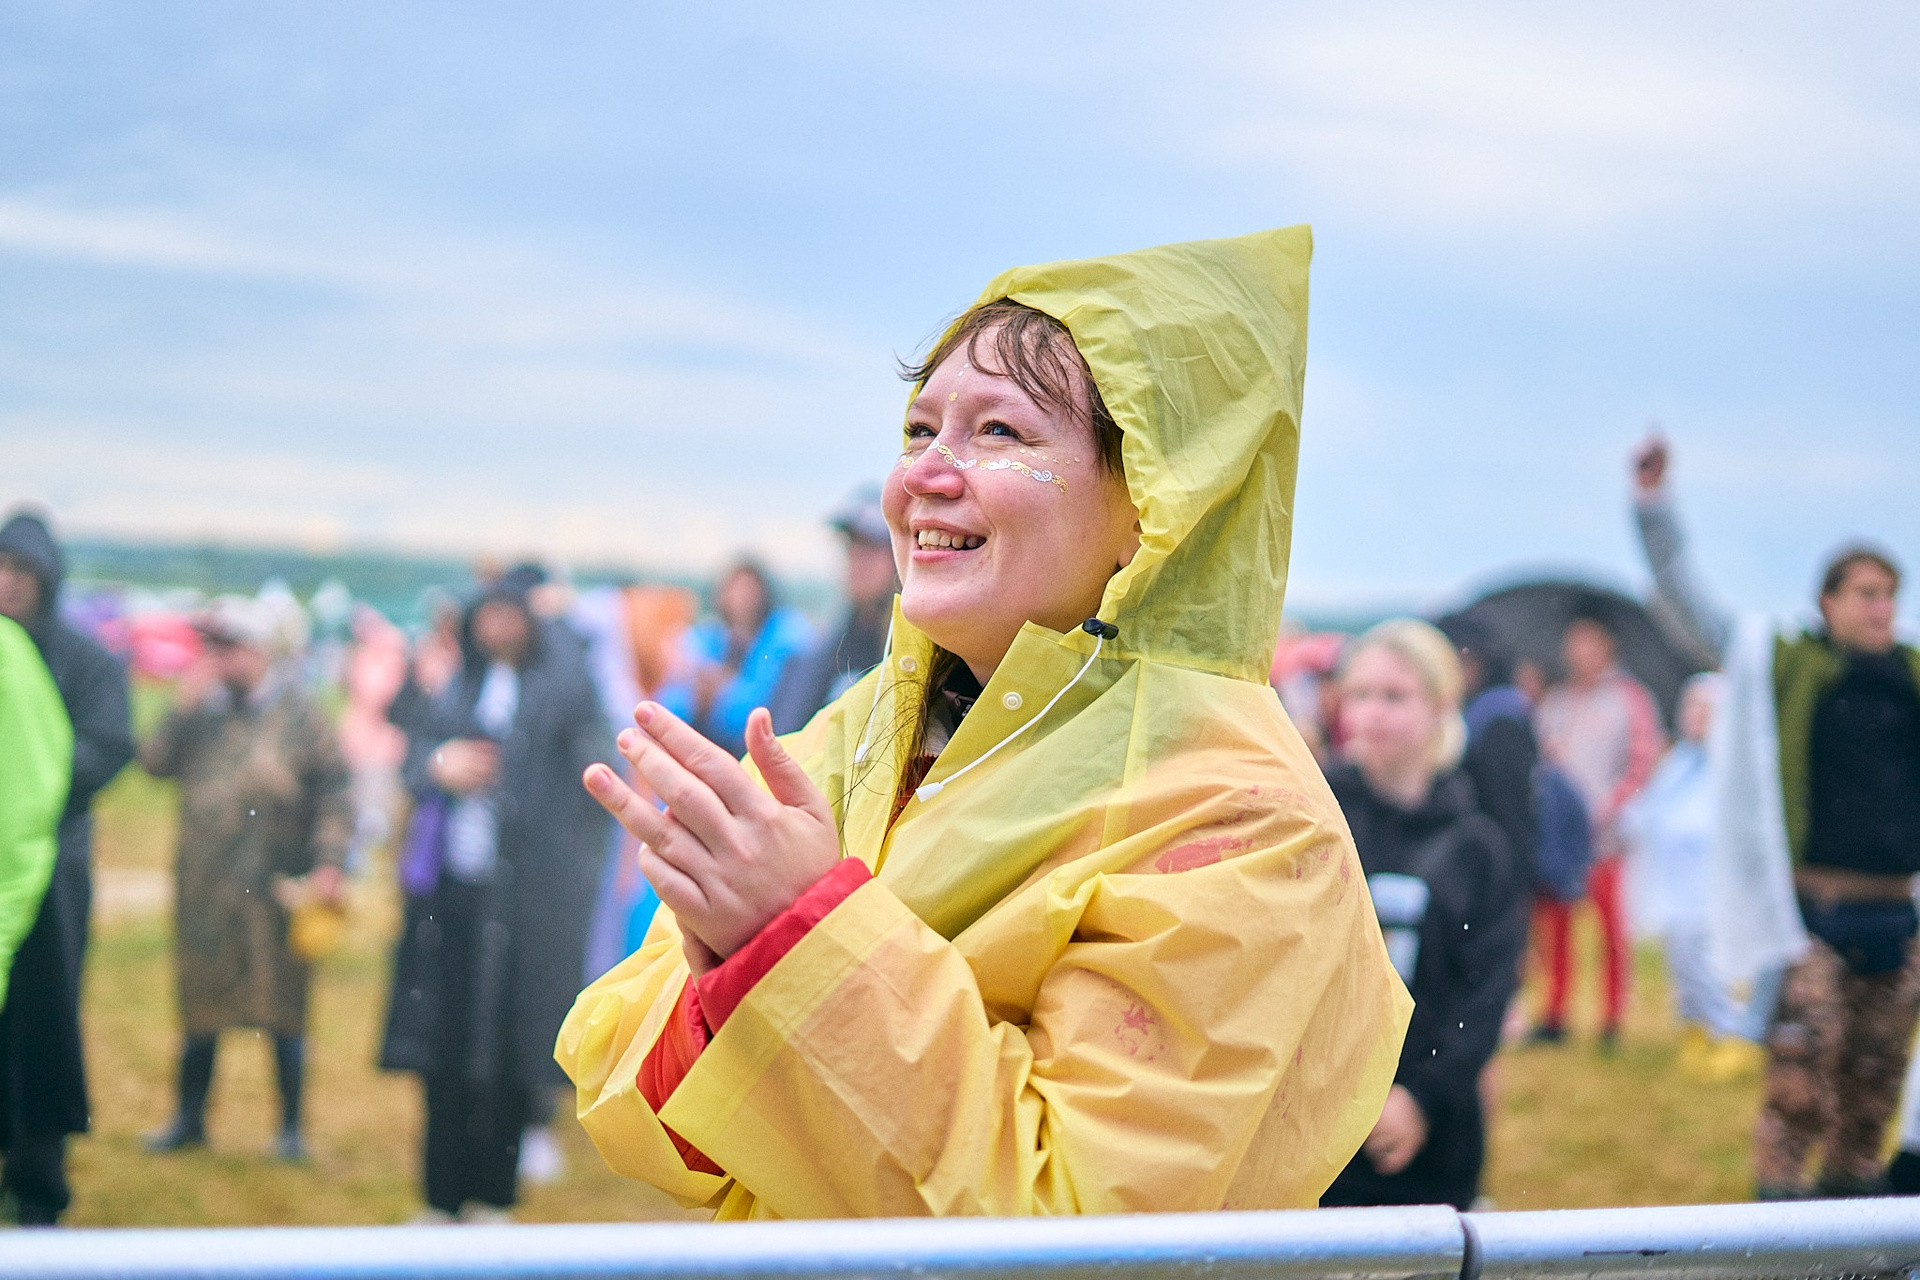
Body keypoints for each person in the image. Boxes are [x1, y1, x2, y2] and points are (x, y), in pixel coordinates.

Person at [558, 227, 1411, 1218]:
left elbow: (1075, 1225)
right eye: (920, 430)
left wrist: (793, 945)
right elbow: (633, 1108)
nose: (924, 474)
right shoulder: (861, 739)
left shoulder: (1241, 817)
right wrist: (730, 976)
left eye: (999, 431)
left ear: (1154, 503)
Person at [1631, 434, 1920, 1199]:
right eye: (1866, 593)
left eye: (1890, 595)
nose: (1881, 608)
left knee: (1872, 1101)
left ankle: (1856, 1237)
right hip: (1812, 920)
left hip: (1898, 921)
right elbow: (1695, 612)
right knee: (1797, 1095)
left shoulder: (1912, 677)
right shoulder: (1788, 666)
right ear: (1828, 601)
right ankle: (1780, 1232)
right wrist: (1654, 510)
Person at [380, 567, 615, 1222]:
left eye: (511, 615)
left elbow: (596, 772)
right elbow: (411, 749)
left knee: (511, 1053)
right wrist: (439, 765)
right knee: (444, 1048)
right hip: (453, 897)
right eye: (488, 615)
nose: (498, 628)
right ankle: (440, 1197)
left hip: (527, 905)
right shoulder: (459, 686)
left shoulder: (563, 691)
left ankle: (495, 1197)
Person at [1319, 620, 1524, 1210]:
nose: (1373, 713)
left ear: (1440, 706)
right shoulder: (1313, 819)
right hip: (1319, 1127)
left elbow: (1484, 994)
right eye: (1360, 694)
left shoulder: (1477, 846)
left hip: (1433, 1140)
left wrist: (1420, 1098)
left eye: (1394, 696)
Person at [140, 593, 350, 1162]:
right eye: (213, 647)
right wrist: (181, 708)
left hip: (278, 887)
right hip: (206, 887)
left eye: (230, 646)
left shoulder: (302, 714)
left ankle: (290, 1129)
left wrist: (330, 862)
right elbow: (153, 765)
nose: (219, 659)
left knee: (285, 1007)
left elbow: (335, 792)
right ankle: (189, 1121)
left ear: (260, 651)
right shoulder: (200, 714)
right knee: (200, 1004)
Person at [0, 511, 134, 1224]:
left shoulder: (85, 662)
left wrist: (30, 777)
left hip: (56, 869)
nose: (7, 583)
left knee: (43, 1021)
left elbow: (109, 745)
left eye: (21, 571)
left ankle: (38, 1179)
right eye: (0, 568)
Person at [1619, 674, 1765, 1083]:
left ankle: (1731, 1035)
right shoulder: (1677, 761)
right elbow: (1652, 809)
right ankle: (1696, 1030)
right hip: (1674, 886)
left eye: (1707, 709)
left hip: (1712, 890)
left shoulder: (1735, 766)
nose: (1698, 716)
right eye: (1693, 707)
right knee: (1681, 963)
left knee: (1708, 965)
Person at [1530, 605, 1662, 1050]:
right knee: (1555, 925)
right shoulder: (1557, 701)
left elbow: (1642, 763)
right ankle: (1555, 1011)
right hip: (1560, 837)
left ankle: (1611, 1016)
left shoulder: (1629, 699)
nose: (1579, 650)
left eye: (1588, 640)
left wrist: (1611, 806)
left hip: (1606, 837)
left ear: (1607, 644)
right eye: (1574, 640)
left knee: (1610, 928)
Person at [770, 486, 899, 734]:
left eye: (870, 548)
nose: (856, 559)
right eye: (851, 546)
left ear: (897, 555)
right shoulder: (822, 653)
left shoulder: (911, 652)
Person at [655, 560, 813, 759]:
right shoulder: (712, 637)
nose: (741, 598)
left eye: (749, 589)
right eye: (735, 589)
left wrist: (718, 691)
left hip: (757, 750)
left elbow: (757, 712)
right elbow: (671, 704)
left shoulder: (785, 636)